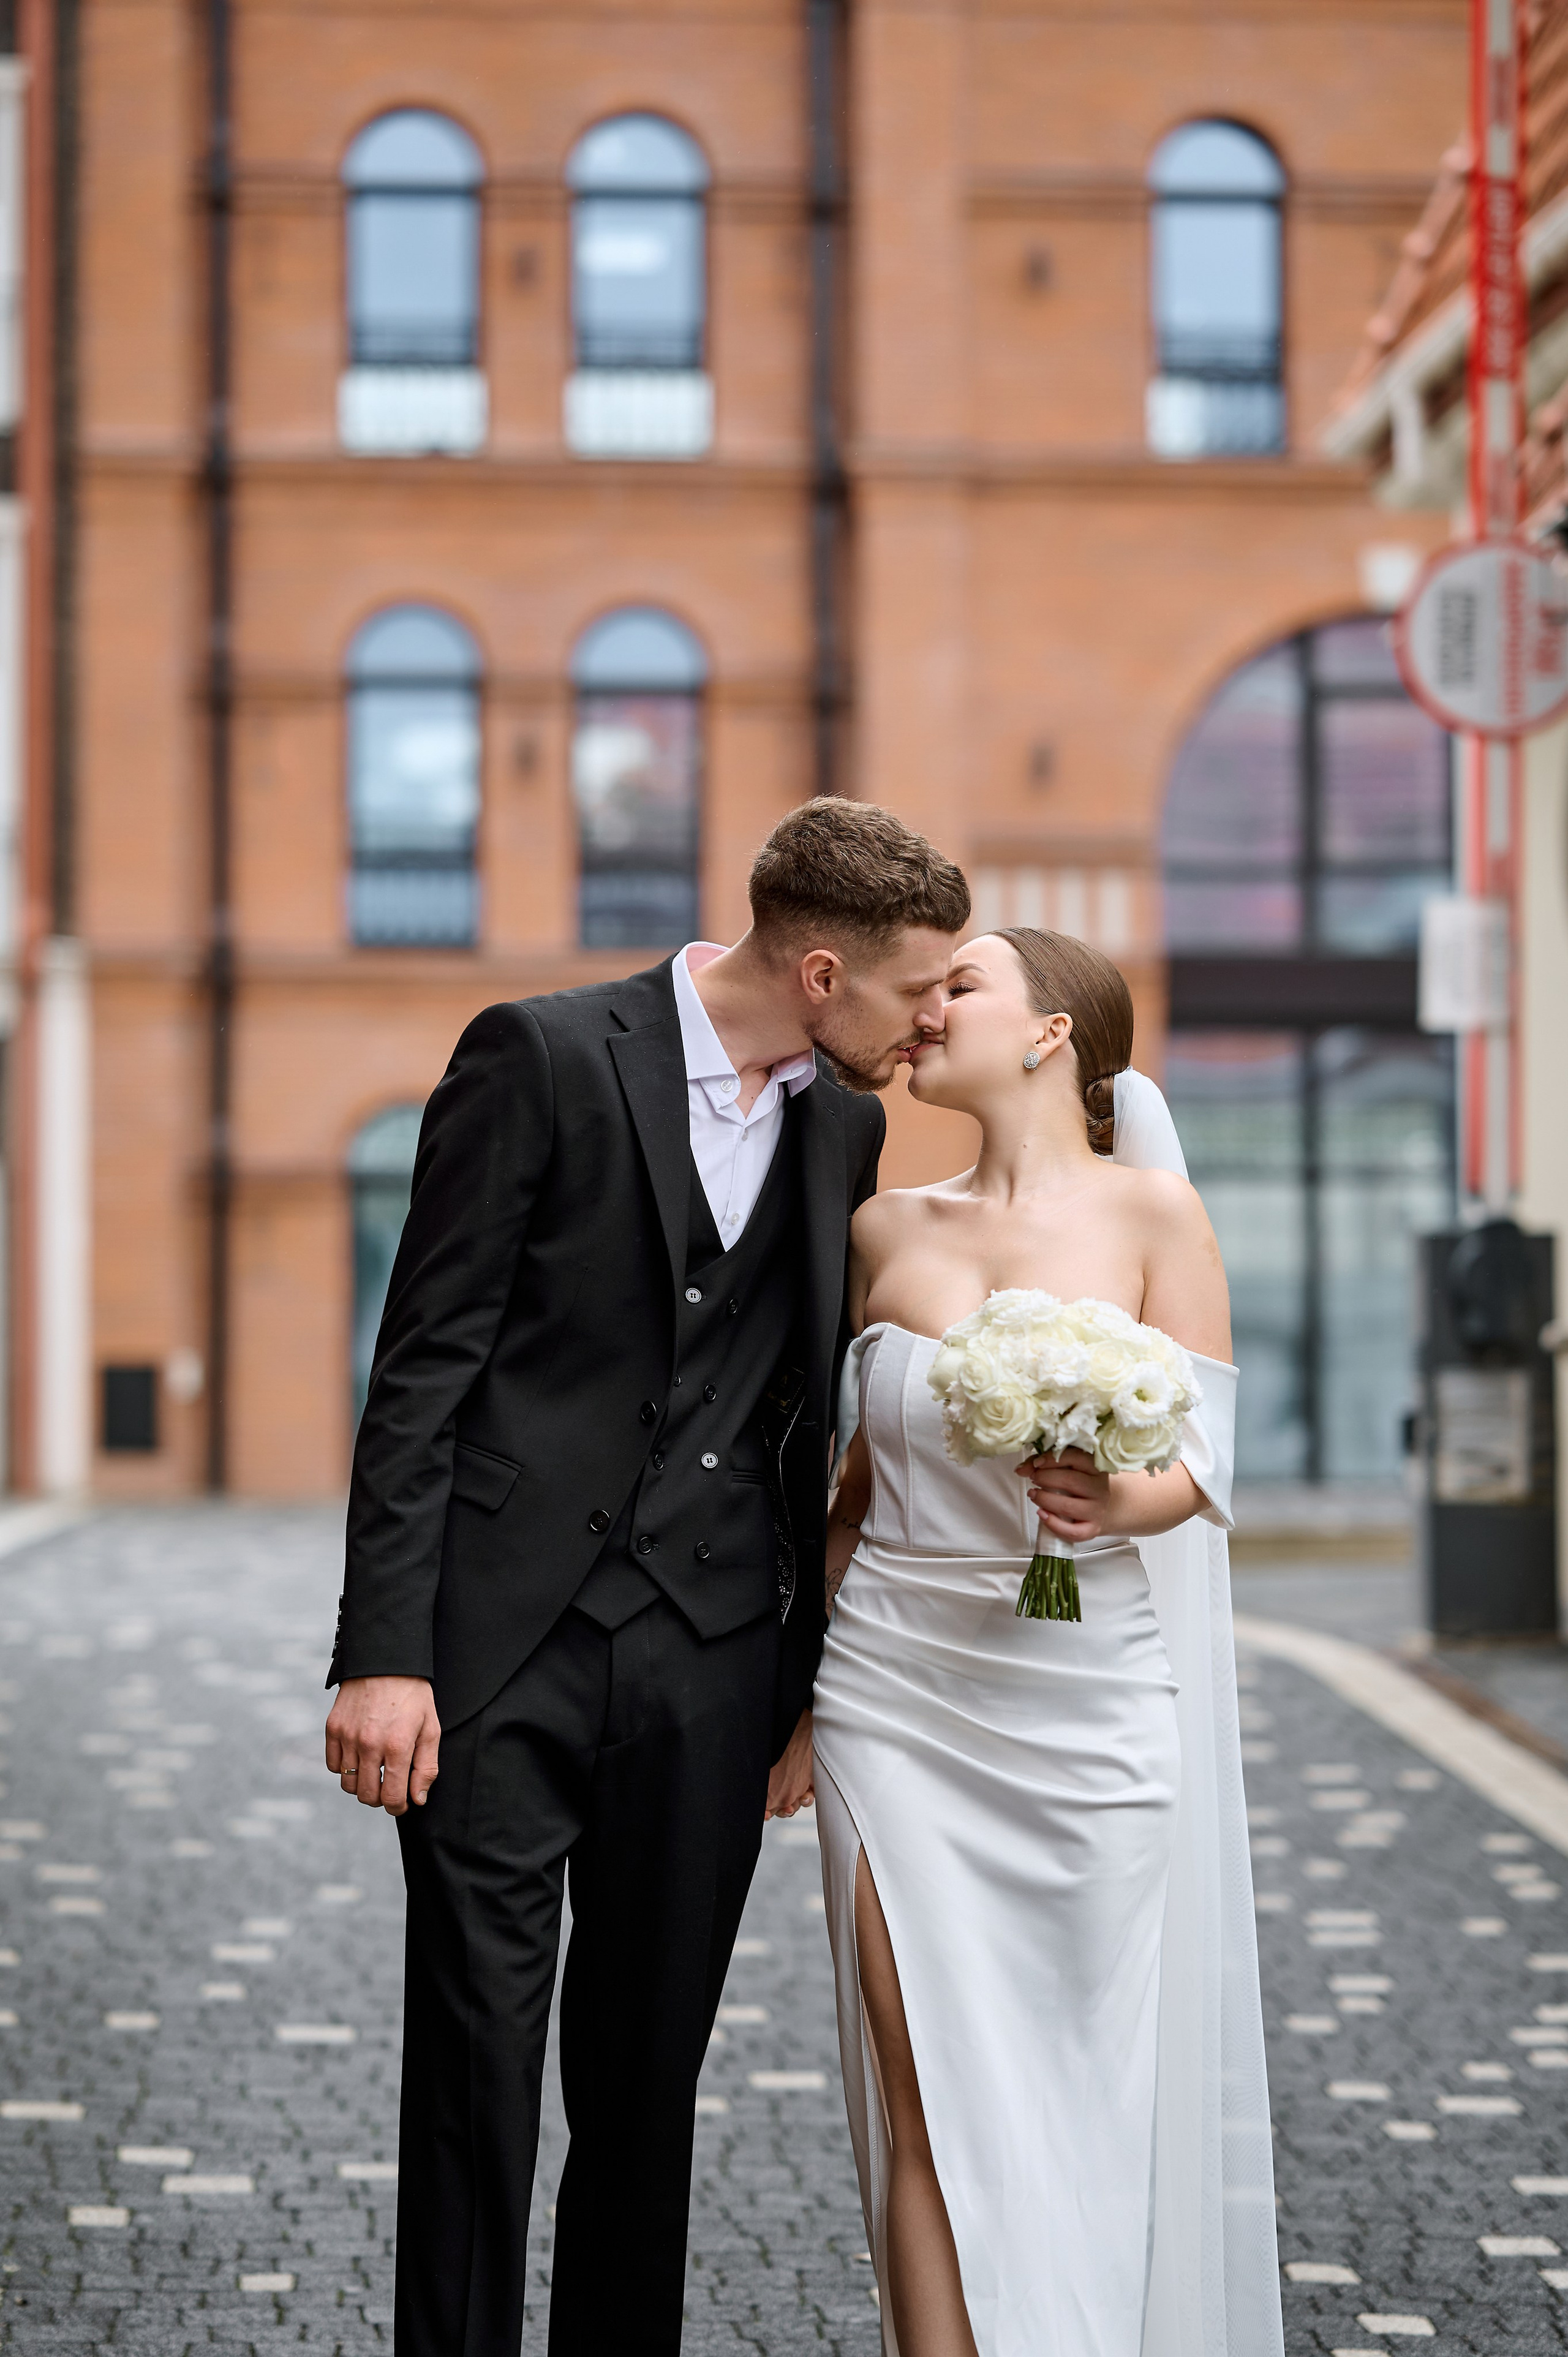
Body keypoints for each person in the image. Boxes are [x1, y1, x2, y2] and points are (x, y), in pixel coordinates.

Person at [322, 796, 970, 2357]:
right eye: (915, 990)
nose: (931, 1020)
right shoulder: (539, 1056)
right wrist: (381, 1653)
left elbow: (804, 1407)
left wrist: (801, 1681)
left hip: (711, 1661)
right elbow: (422, 1373)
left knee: (643, 2085)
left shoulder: (846, 1124)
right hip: (493, 1651)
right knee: (476, 2065)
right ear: (821, 972)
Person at [810, 927, 1284, 2357]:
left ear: (1047, 1034)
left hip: (1083, 1707)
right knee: (920, 2093)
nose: (926, 1003)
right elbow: (837, 1495)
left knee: (1082, 2095)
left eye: (960, 982)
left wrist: (1107, 1492)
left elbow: (1201, 1469)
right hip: (888, 1696)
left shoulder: (1154, 1217)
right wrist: (788, 1705)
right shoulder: (881, 1228)